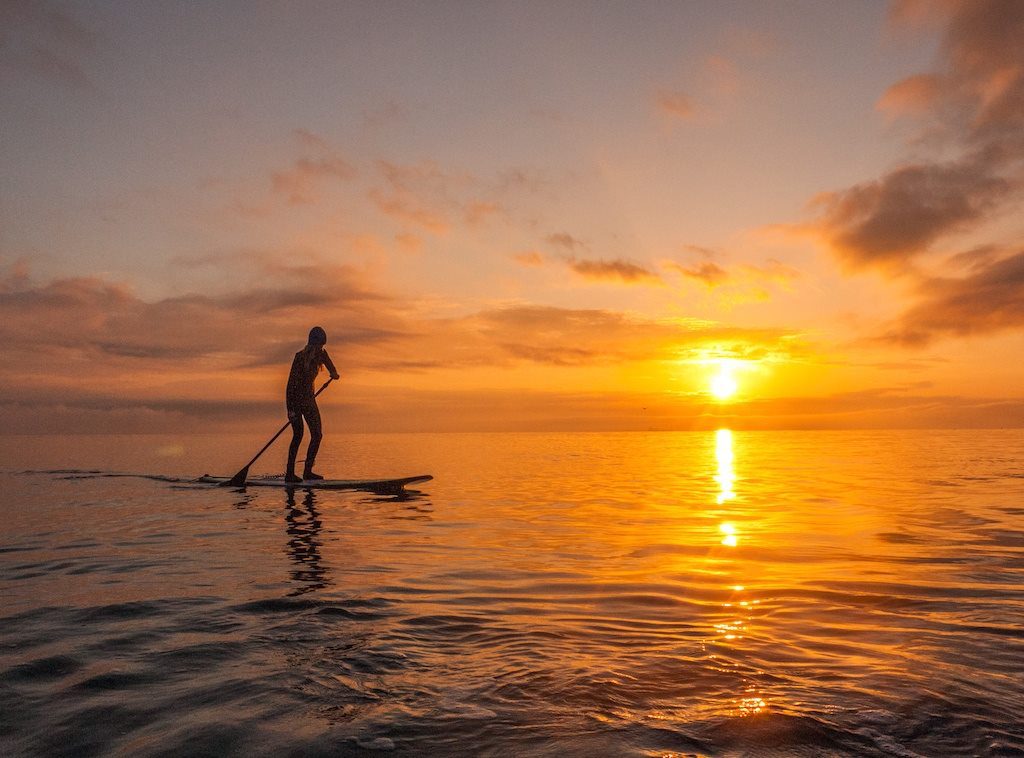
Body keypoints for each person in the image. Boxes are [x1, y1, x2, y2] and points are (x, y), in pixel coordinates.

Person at [285, 326, 340, 482]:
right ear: (312, 344)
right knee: (298, 435)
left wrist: (334, 373)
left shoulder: (320, 355)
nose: (321, 348)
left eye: (322, 346)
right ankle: (289, 474)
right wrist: (291, 410)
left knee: (317, 435)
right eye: (319, 345)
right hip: (295, 402)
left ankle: (307, 471)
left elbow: (330, 366)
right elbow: (290, 385)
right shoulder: (299, 357)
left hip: (309, 400)